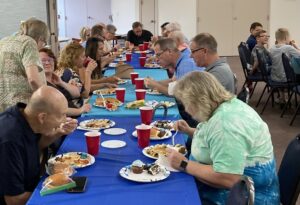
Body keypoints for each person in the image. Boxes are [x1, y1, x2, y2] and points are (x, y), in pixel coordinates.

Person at [166, 71, 280, 205]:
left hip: (240, 198)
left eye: (186, 103)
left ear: (198, 100)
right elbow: (216, 140)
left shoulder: (225, 124)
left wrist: (184, 164)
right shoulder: (224, 106)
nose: (186, 109)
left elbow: (228, 178)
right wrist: (190, 131)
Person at [0, 86, 77, 205]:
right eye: (61, 116)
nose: (64, 121)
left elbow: (35, 148)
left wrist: (58, 132)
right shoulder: (10, 141)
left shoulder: (27, 117)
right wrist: (60, 190)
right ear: (42, 117)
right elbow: (14, 200)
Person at [0, 17, 48, 112]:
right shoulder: (29, 42)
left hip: (4, 108)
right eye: (44, 42)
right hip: (21, 107)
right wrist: (48, 99)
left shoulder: (4, 41)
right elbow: (33, 79)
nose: (43, 46)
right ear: (40, 38)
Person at [39, 48, 91, 117]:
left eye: (50, 60)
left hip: (78, 114)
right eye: (43, 60)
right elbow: (56, 109)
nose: (47, 63)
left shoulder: (57, 78)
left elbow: (77, 93)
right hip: (68, 120)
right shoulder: (40, 84)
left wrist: (61, 83)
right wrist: (80, 110)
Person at [269, 28, 300, 104]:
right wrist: (296, 46)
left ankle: (283, 98)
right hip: (285, 78)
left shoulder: (272, 48)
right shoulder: (288, 48)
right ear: (286, 37)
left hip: (274, 76)